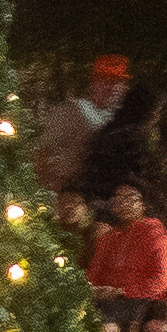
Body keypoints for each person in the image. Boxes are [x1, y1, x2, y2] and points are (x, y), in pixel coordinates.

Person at [29, 57, 135, 218]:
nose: (111, 88)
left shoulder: (126, 121)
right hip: (71, 198)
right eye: (105, 81)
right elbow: (45, 154)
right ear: (93, 84)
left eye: (117, 83)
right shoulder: (69, 112)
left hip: (111, 203)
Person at [81, 187, 167, 332]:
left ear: (143, 205)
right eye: (119, 199)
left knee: (106, 316)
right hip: (108, 299)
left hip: (147, 301)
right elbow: (94, 276)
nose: (125, 203)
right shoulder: (108, 238)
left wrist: (121, 291)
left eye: (131, 199)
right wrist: (95, 289)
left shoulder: (157, 237)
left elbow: (163, 283)